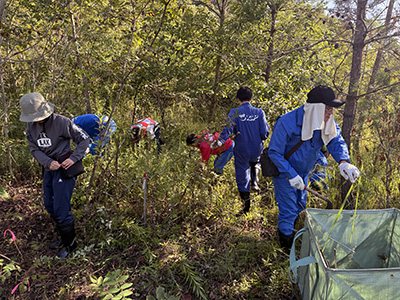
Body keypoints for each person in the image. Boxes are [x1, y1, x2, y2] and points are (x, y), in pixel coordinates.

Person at [268, 85, 360, 252]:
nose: (330, 113)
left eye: (332, 109)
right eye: (327, 109)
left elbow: (335, 140)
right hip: (285, 173)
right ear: (315, 109)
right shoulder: (287, 123)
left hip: (303, 173)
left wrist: (344, 161)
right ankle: (285, 251)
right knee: (288, 210)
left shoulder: (326, 121)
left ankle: (290, 232)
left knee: (299, 205)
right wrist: (290, 175)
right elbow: (274, 152)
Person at [19, 93, 90, 258]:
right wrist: (47, 162)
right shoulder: (30, 127)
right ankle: (62, 236)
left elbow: (84, 139)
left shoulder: (62, 122)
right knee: (49, 205)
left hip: (64, 169)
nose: (37, 120)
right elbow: (34, 148)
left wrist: (73, 158)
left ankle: (70, 245)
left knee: (61, 208)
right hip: (48, 168)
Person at [220, 86, 270, 215]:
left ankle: (246, 207)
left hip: (242, 148)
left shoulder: (235, 112)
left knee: (242, 175)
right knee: (255, 162)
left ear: (238, 99)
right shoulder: (259, 112)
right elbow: (265, 133)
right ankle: (255, 180)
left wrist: (219, 141)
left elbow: (228, 130)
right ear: (251, 98)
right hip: (256, 148)